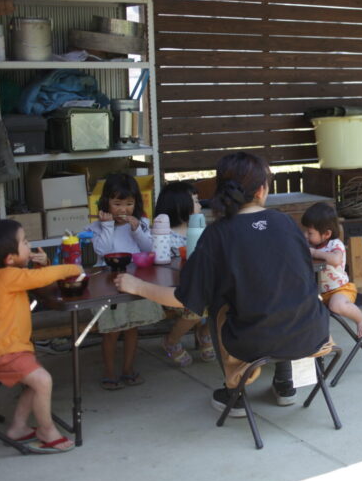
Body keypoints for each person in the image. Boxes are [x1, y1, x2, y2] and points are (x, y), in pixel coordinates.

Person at [113, 152, 329, 416]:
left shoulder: (218, 233)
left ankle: (235, 393)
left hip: (256, 343)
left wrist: (136, 286)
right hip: (313, 333)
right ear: (262, 190)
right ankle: (286, 384)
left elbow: (186, 298)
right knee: (283, 296)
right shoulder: (285, 222)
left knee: (219, 308)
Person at [0, 219, 81, 453]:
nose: (29, 245)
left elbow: (32, 278)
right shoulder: (7, 276)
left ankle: (19, 428)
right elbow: (36, 280)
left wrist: (39, 265)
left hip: (10, 348)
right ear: (10, 258)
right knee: (43, 381)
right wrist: (71, 268)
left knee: (34, 385)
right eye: (25, 242)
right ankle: (46, 430)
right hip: (4, 352)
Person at [86, 173, 164, 390]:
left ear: (136, 203)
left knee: (132, 328)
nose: (123, 209)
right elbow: (102, 250)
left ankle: (128, 369)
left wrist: (137, 229)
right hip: (109, 283)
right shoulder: (97, 227)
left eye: (129, 204)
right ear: (106, 203)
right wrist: (108, 226)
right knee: (111, 331)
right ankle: (109, 372)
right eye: (117, 203)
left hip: (135, 280)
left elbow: (150, 249)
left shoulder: (142, 223)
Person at [153, 181, 215, 367]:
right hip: (172, 290)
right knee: (195, 308)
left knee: (226, 301)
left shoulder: (200, 230)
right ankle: (171, 341)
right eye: (195, 201)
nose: (199, 205)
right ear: (179, 205)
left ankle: (205, 333)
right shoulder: (163, 234)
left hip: (200, 287)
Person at [301, 202, 362, 337]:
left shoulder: (334, 244)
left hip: (341, 290)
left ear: (326, 234)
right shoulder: (312, 244)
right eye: (305, 231)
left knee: (336, 305)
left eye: (310, 232)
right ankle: (319, 342)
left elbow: (336, 259)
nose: (306, 235)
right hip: (320, 293)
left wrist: (313, 253)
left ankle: (361, 319)